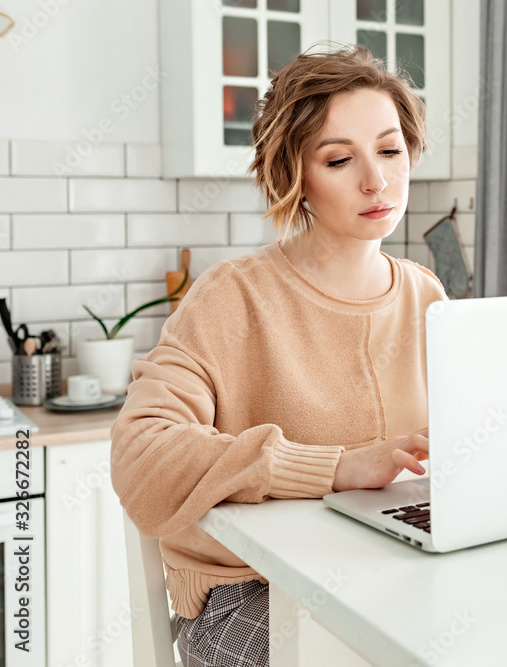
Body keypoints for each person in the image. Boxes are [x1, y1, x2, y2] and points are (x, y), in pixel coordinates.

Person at [110, 44, 446, 667]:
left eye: (391, 150)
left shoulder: (427, 295)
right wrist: (332, 468)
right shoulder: (231, 296)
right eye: (340, 159)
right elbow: (141, 456)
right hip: (247, 590)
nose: (377, 179)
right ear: (294, 175)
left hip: (381, 565)